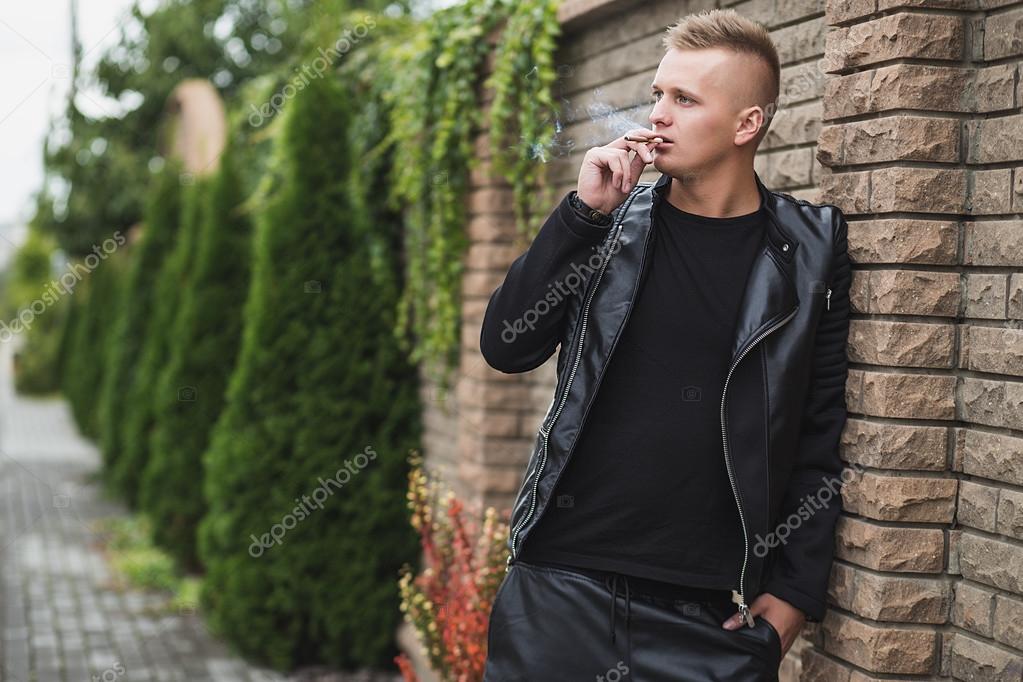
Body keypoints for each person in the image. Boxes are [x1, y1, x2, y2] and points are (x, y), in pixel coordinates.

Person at [478, 7, 851, 681]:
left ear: (747, 124)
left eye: (683, 99)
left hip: (708, 617)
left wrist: (792, 601)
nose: (657, 115)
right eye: (656, 95)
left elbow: (818, 437)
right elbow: (507, 346)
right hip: (560, 591)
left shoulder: (807, 254)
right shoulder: (606, 227)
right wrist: (579, 217)